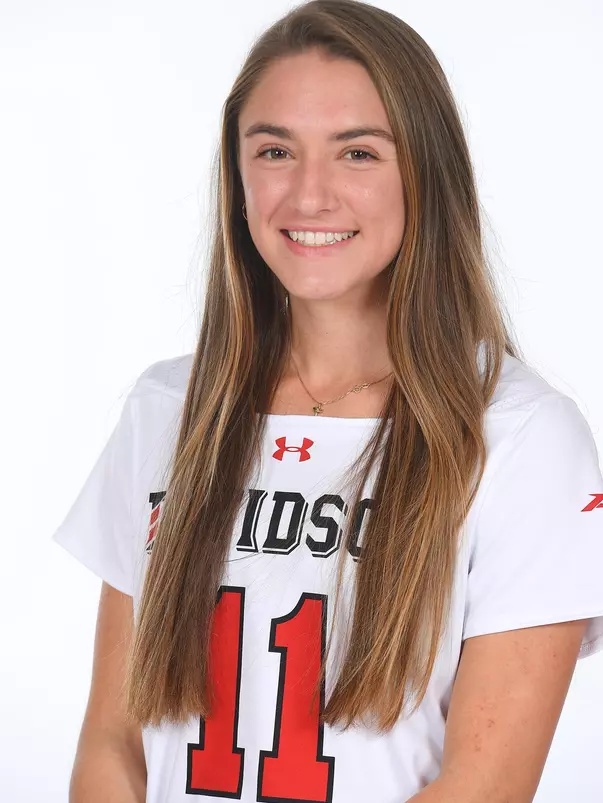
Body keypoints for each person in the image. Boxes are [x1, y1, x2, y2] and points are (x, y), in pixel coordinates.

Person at [51, 1, 603, 801]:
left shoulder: (519, 437)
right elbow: (113, 742)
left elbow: (483, 784)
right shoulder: (168, 407)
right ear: (237, 174)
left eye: (357, 153)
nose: (309, 195)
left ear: (426, 170)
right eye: (274, 149)